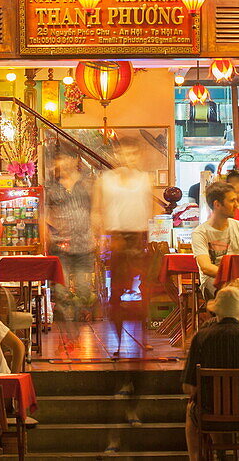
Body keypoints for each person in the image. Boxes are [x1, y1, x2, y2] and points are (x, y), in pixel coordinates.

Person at [182, 285, 239, 461]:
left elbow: (189, 388)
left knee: (190, 409)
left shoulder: (200, 338)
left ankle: (195, 458)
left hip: (208, 415)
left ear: (216, 311)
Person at [93, 137, 156, 356]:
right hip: (116, 237)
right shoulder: (106, 180)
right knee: (116, 294)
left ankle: (143, 338)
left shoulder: (144, 179)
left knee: (144, 293)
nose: (129, 158)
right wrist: (101, 237)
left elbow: (149, 211)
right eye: (124, 153)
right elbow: (97, 210)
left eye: (133, 154)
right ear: (117, 155)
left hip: (139, 238)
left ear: (139, 156)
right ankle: (118, 343)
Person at [45, 147, 96, 321]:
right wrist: (49, 229)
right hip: (60, 246)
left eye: (66, 159)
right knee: (61, 291)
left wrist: (98, 232)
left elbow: (96, 210)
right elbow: (44, 213)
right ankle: (67, 329)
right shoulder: (51, 188)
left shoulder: (87, 185)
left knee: (83, 290)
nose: (62, 164)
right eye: (59, 160)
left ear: (75, 160)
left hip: (84, 245)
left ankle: (76, 318)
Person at [192, 180, 239, 298]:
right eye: (231, 201)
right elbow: (206, 268)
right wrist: (233, 278)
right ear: (217, 204)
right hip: (213, 281)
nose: (237, 205)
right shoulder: (200, 233)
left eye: (236, 200)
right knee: (231, 292)